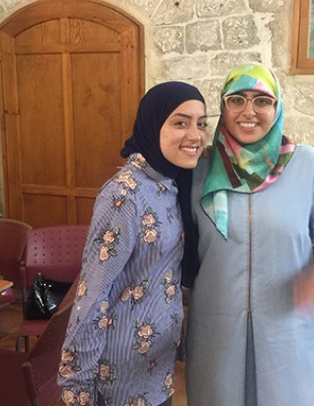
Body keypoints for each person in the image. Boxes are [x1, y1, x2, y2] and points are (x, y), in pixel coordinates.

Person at [184, 62, 314, 406]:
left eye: (262, 101)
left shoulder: (308, 166)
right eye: (236, 100)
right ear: (223, 107)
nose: (248, 112)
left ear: (277, 107)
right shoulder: (199, 172)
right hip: (216, 337)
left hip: (287, 338)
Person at [57, 81, 208, 406]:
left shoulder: (171, 183)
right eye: (181, 122)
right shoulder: (124, 195)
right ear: (153, 124)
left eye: (201, 123)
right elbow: (93, 293)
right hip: (119, 376)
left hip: (156, 369)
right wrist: (77, 385)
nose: (195, 134)